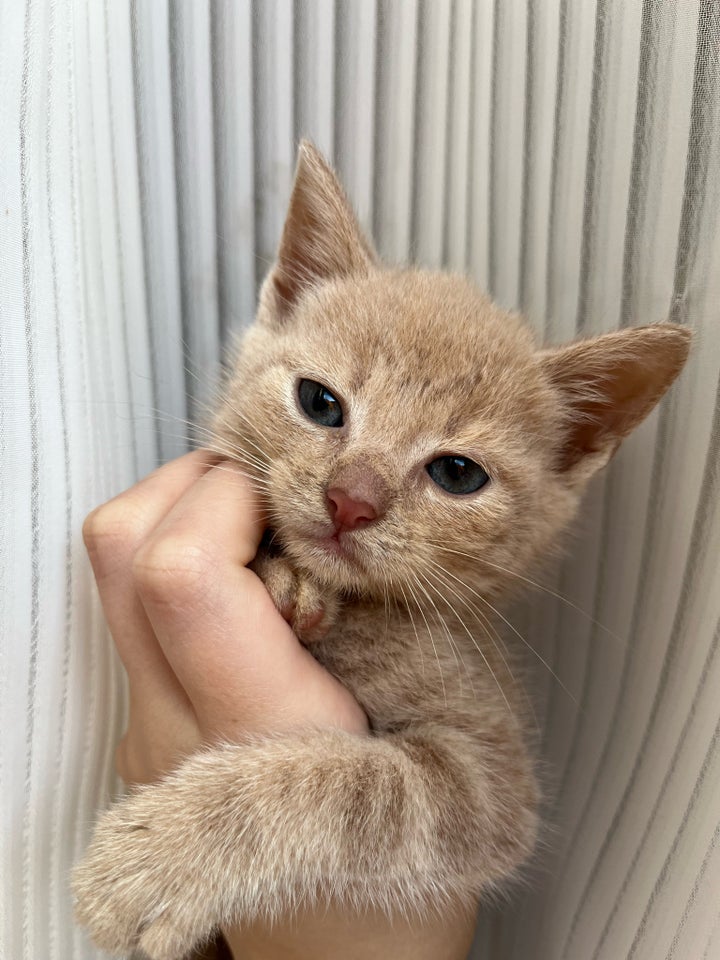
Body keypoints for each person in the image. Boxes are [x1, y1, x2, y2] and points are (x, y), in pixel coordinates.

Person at [82, 450, 477, 960]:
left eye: (455, 473)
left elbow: (487, 797)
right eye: (322, 404)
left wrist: (234, 819)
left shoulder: (439, 640)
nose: (354, 497)